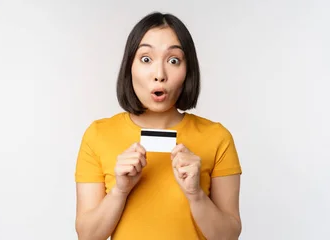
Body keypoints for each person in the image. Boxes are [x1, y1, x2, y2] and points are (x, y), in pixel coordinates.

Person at [74, 12, 242, 240]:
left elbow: (228, 237)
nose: (159, 74)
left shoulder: (217, 137)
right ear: (129, 66)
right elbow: (87, 236)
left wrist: (196, 194)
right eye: (146, 59)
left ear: (187, 71)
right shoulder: (98, 135)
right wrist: (120, 191)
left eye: (174, 60)